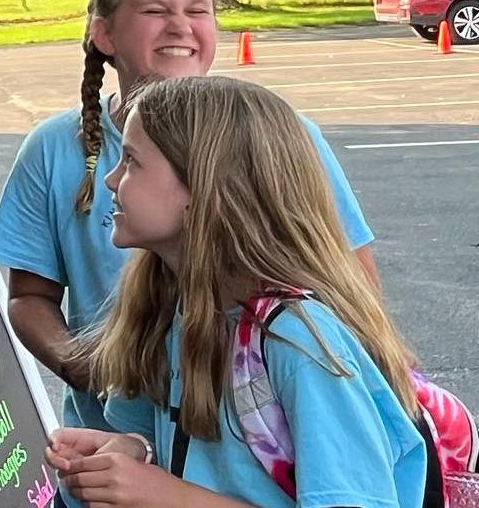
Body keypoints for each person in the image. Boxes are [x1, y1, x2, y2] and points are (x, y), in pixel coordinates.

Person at [0, 0, 377, 499]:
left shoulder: (295, 344)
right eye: (154, 10)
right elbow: (29, 296)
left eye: (199, 10)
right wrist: (124, 434)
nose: (181, 27)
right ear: (104, 34)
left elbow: (353, 288)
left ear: (214, 186)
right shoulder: (173, 318)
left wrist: (158, 490)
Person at [45, 76, 427, 508]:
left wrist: (166, 496)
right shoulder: (175, 308)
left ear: (206, 190)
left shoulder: (298, 345)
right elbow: (182, 452)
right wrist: (136, 452)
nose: (112, 181)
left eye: (131, 161)